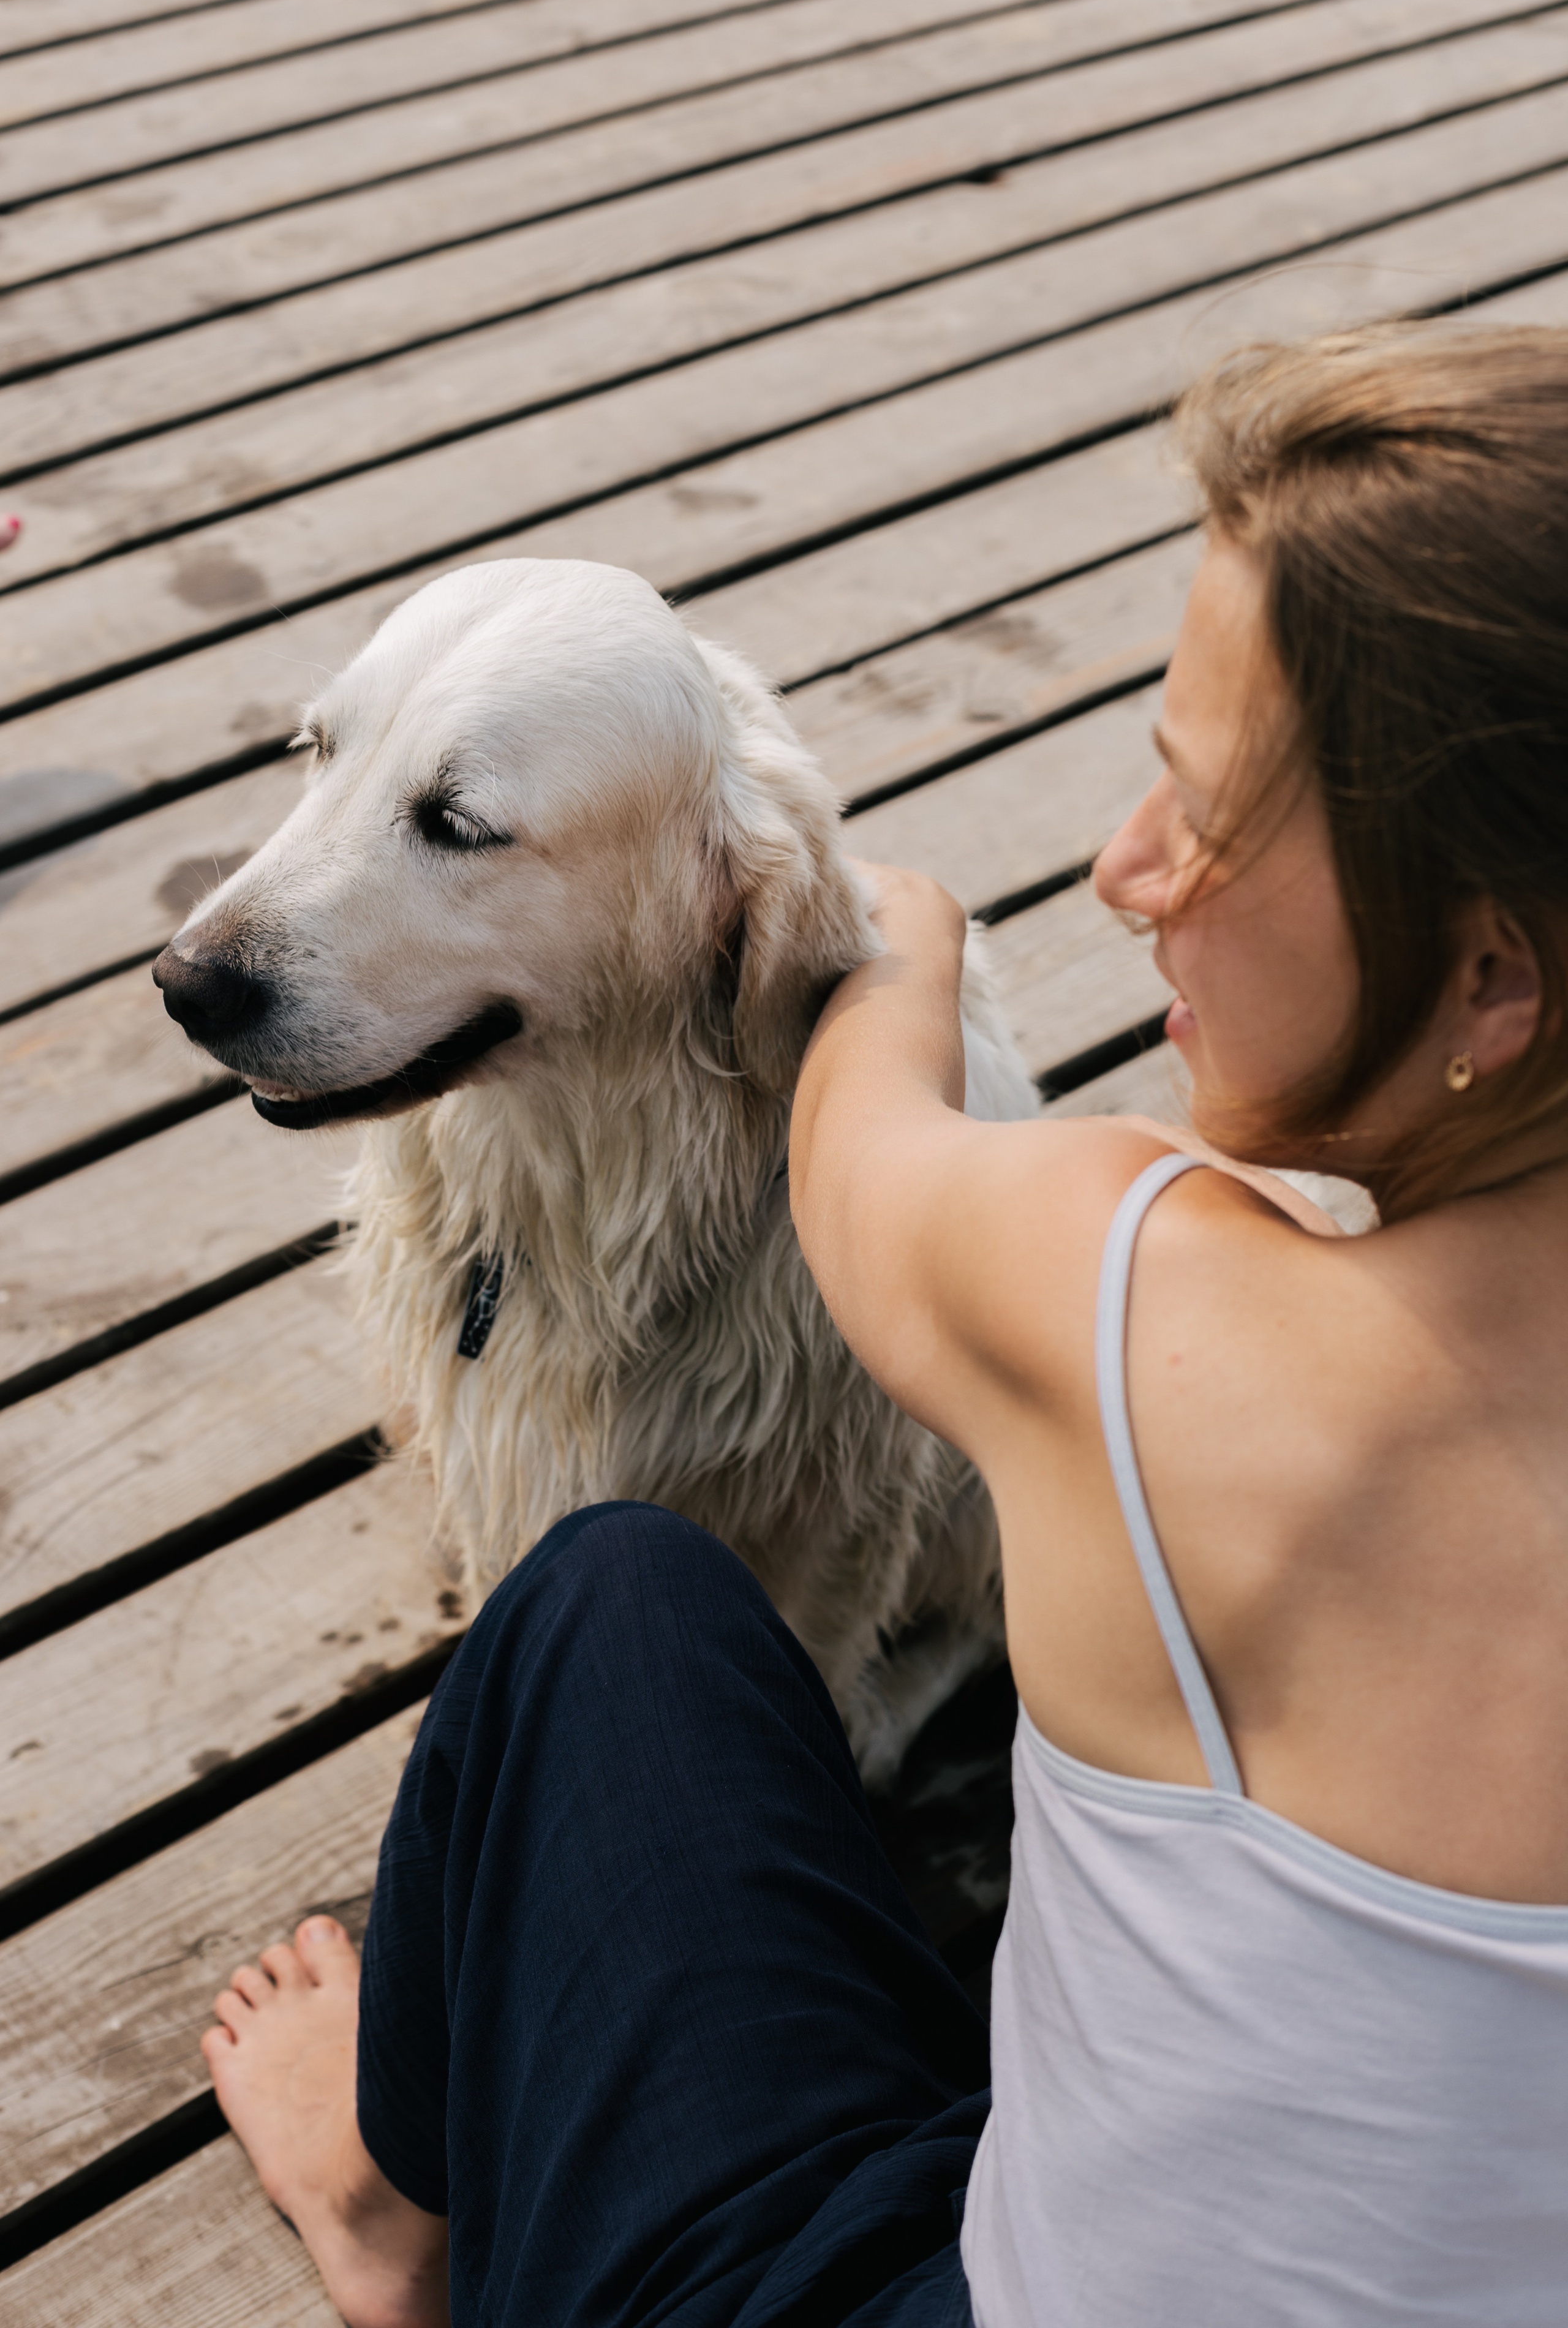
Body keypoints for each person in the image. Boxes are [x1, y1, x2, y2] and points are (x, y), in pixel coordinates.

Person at [202, 322, 1568, 2326]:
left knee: (608, 1606)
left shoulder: (1141, 1300)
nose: (1121, 872)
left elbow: (862, 1124)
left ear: (1491, 976)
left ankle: (397, 2216)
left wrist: (888, 929)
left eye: (1203, 812)